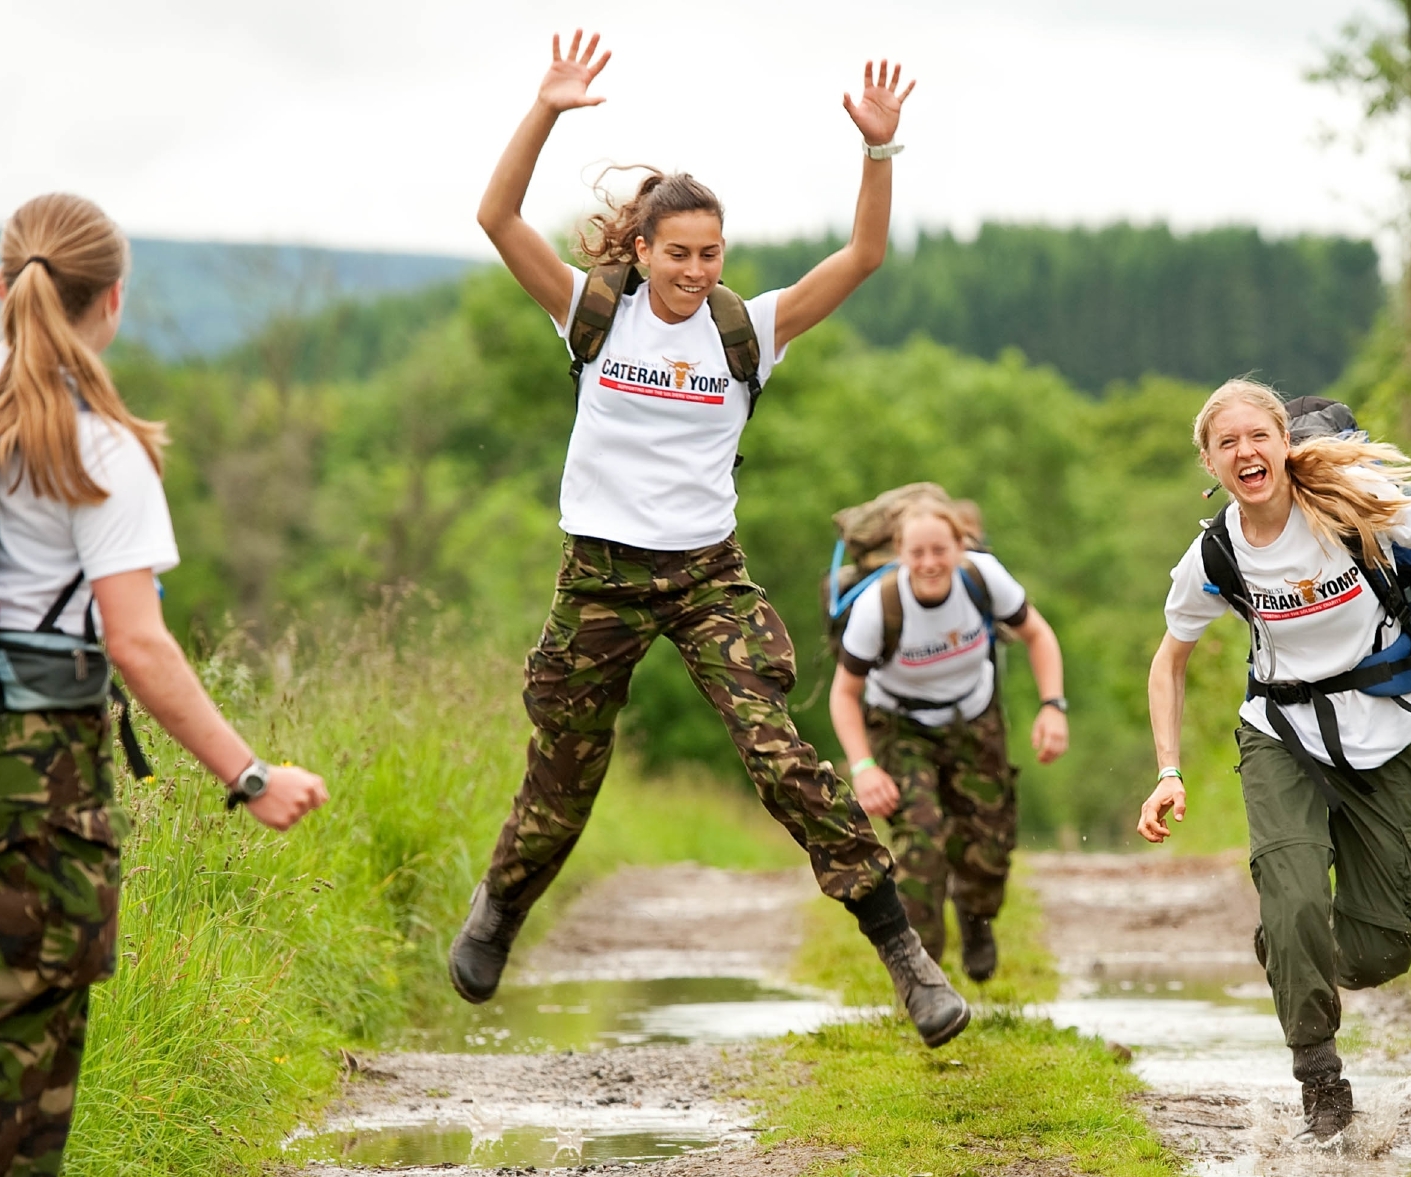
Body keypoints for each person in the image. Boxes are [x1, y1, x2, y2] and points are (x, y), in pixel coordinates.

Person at [450, 31, 971, 1047]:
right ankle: (501, 905)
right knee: (565, 774)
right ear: (640, 251)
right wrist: (548, 110)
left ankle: (905, 956)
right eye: (676, 253)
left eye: (709, 253)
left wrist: (878, 152)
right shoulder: (594, 315)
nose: (694, 270)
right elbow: (496, 217)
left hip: (705, 578)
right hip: (598, 575)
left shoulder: (748, 330)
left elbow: (864, 256)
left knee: (781, 756)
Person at [0, 193, 328, 1177]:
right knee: (9, 1055)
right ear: (112, 301)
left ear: (0, 282)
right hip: (34, 770)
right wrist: (249, 773)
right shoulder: (99, 440)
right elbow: (141, 646)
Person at [1136, 378, 1411, 1140]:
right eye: (1226, 442)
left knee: (1379, 949)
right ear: (1209, 461)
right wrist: (1169, 771)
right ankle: (1320, 1078)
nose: (1245, 451)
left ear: (1283, 443)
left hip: (1386, 727)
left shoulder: (1349, 497)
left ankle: (1288, 947)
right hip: (1281, 732)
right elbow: (1168, 662)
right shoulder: (1213, 552)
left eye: (1257, 436)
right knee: (1294, 893)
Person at [828, 495, 1068, 981]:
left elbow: (1038, 635)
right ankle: (923, 977)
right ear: (901, 553)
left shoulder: (983, 579)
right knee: (921, 843)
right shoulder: (879, 605)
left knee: (989, 845)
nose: (930, 563)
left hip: (973, 717)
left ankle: (977, 920)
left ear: (960, 547)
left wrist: (1052, 707)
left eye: (940, 550)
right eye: (917, 553)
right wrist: (864, 767)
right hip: (901, 727)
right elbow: (844, 694)